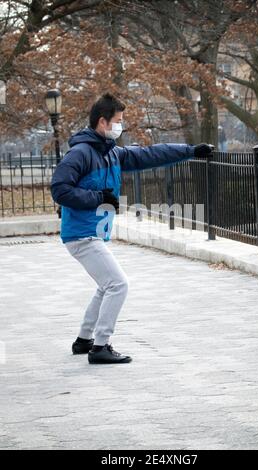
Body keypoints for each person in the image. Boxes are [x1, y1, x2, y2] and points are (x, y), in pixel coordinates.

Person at [50, 92, 211, 365]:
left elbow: (149, 155)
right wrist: (98, 198)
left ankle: (84, 340)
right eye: (118, 121)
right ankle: (100, 347)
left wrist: (190, 151)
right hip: (81, 233)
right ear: (103, 122)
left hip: (93, 233)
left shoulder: (111, 153)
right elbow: (59, 189)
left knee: (106, 285)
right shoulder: (81, 153)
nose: (120, 126)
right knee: (118, 284)